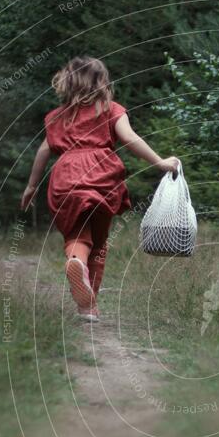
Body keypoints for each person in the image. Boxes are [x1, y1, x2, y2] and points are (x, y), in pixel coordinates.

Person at [21, 55, 178, 321]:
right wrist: (159, 162)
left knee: (77, 236)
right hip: (102, 176)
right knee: (100, 243)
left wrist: (31, 186)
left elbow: (43, 152)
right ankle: (89, 306)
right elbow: (129, 138)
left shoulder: (55, 117)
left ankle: (76, 264)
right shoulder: (111, 109)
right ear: (102, 82)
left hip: (66, 178)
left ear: (67, 82)